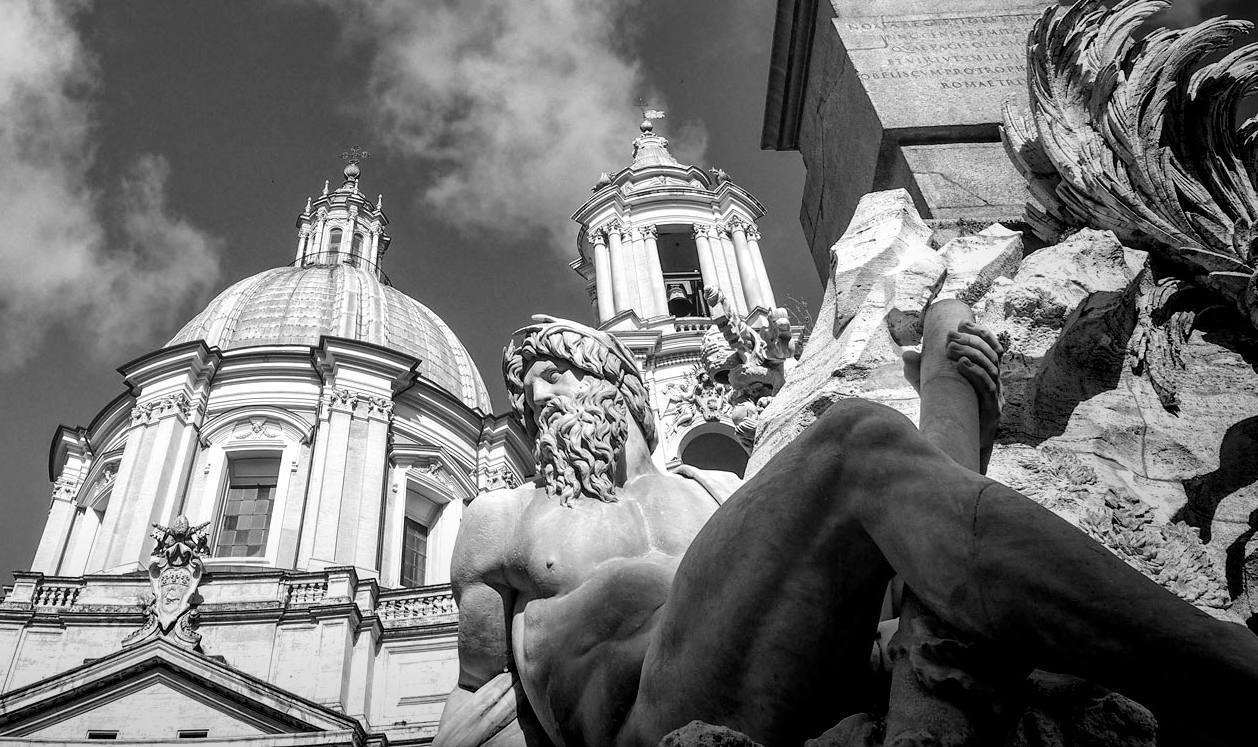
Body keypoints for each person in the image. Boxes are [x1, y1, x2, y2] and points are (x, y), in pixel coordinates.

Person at [432, 311, 1258, 747]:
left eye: (558, 373)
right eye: (528, 388)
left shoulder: (711, 485)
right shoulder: (502, 518)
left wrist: (947, 391)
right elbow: (481, 698)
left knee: (880, 488)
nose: (541, 398)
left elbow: (898, 562)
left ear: (621, 387)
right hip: (650, 715)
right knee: (852, 444)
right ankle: (1228, 671)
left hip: (807, 671)